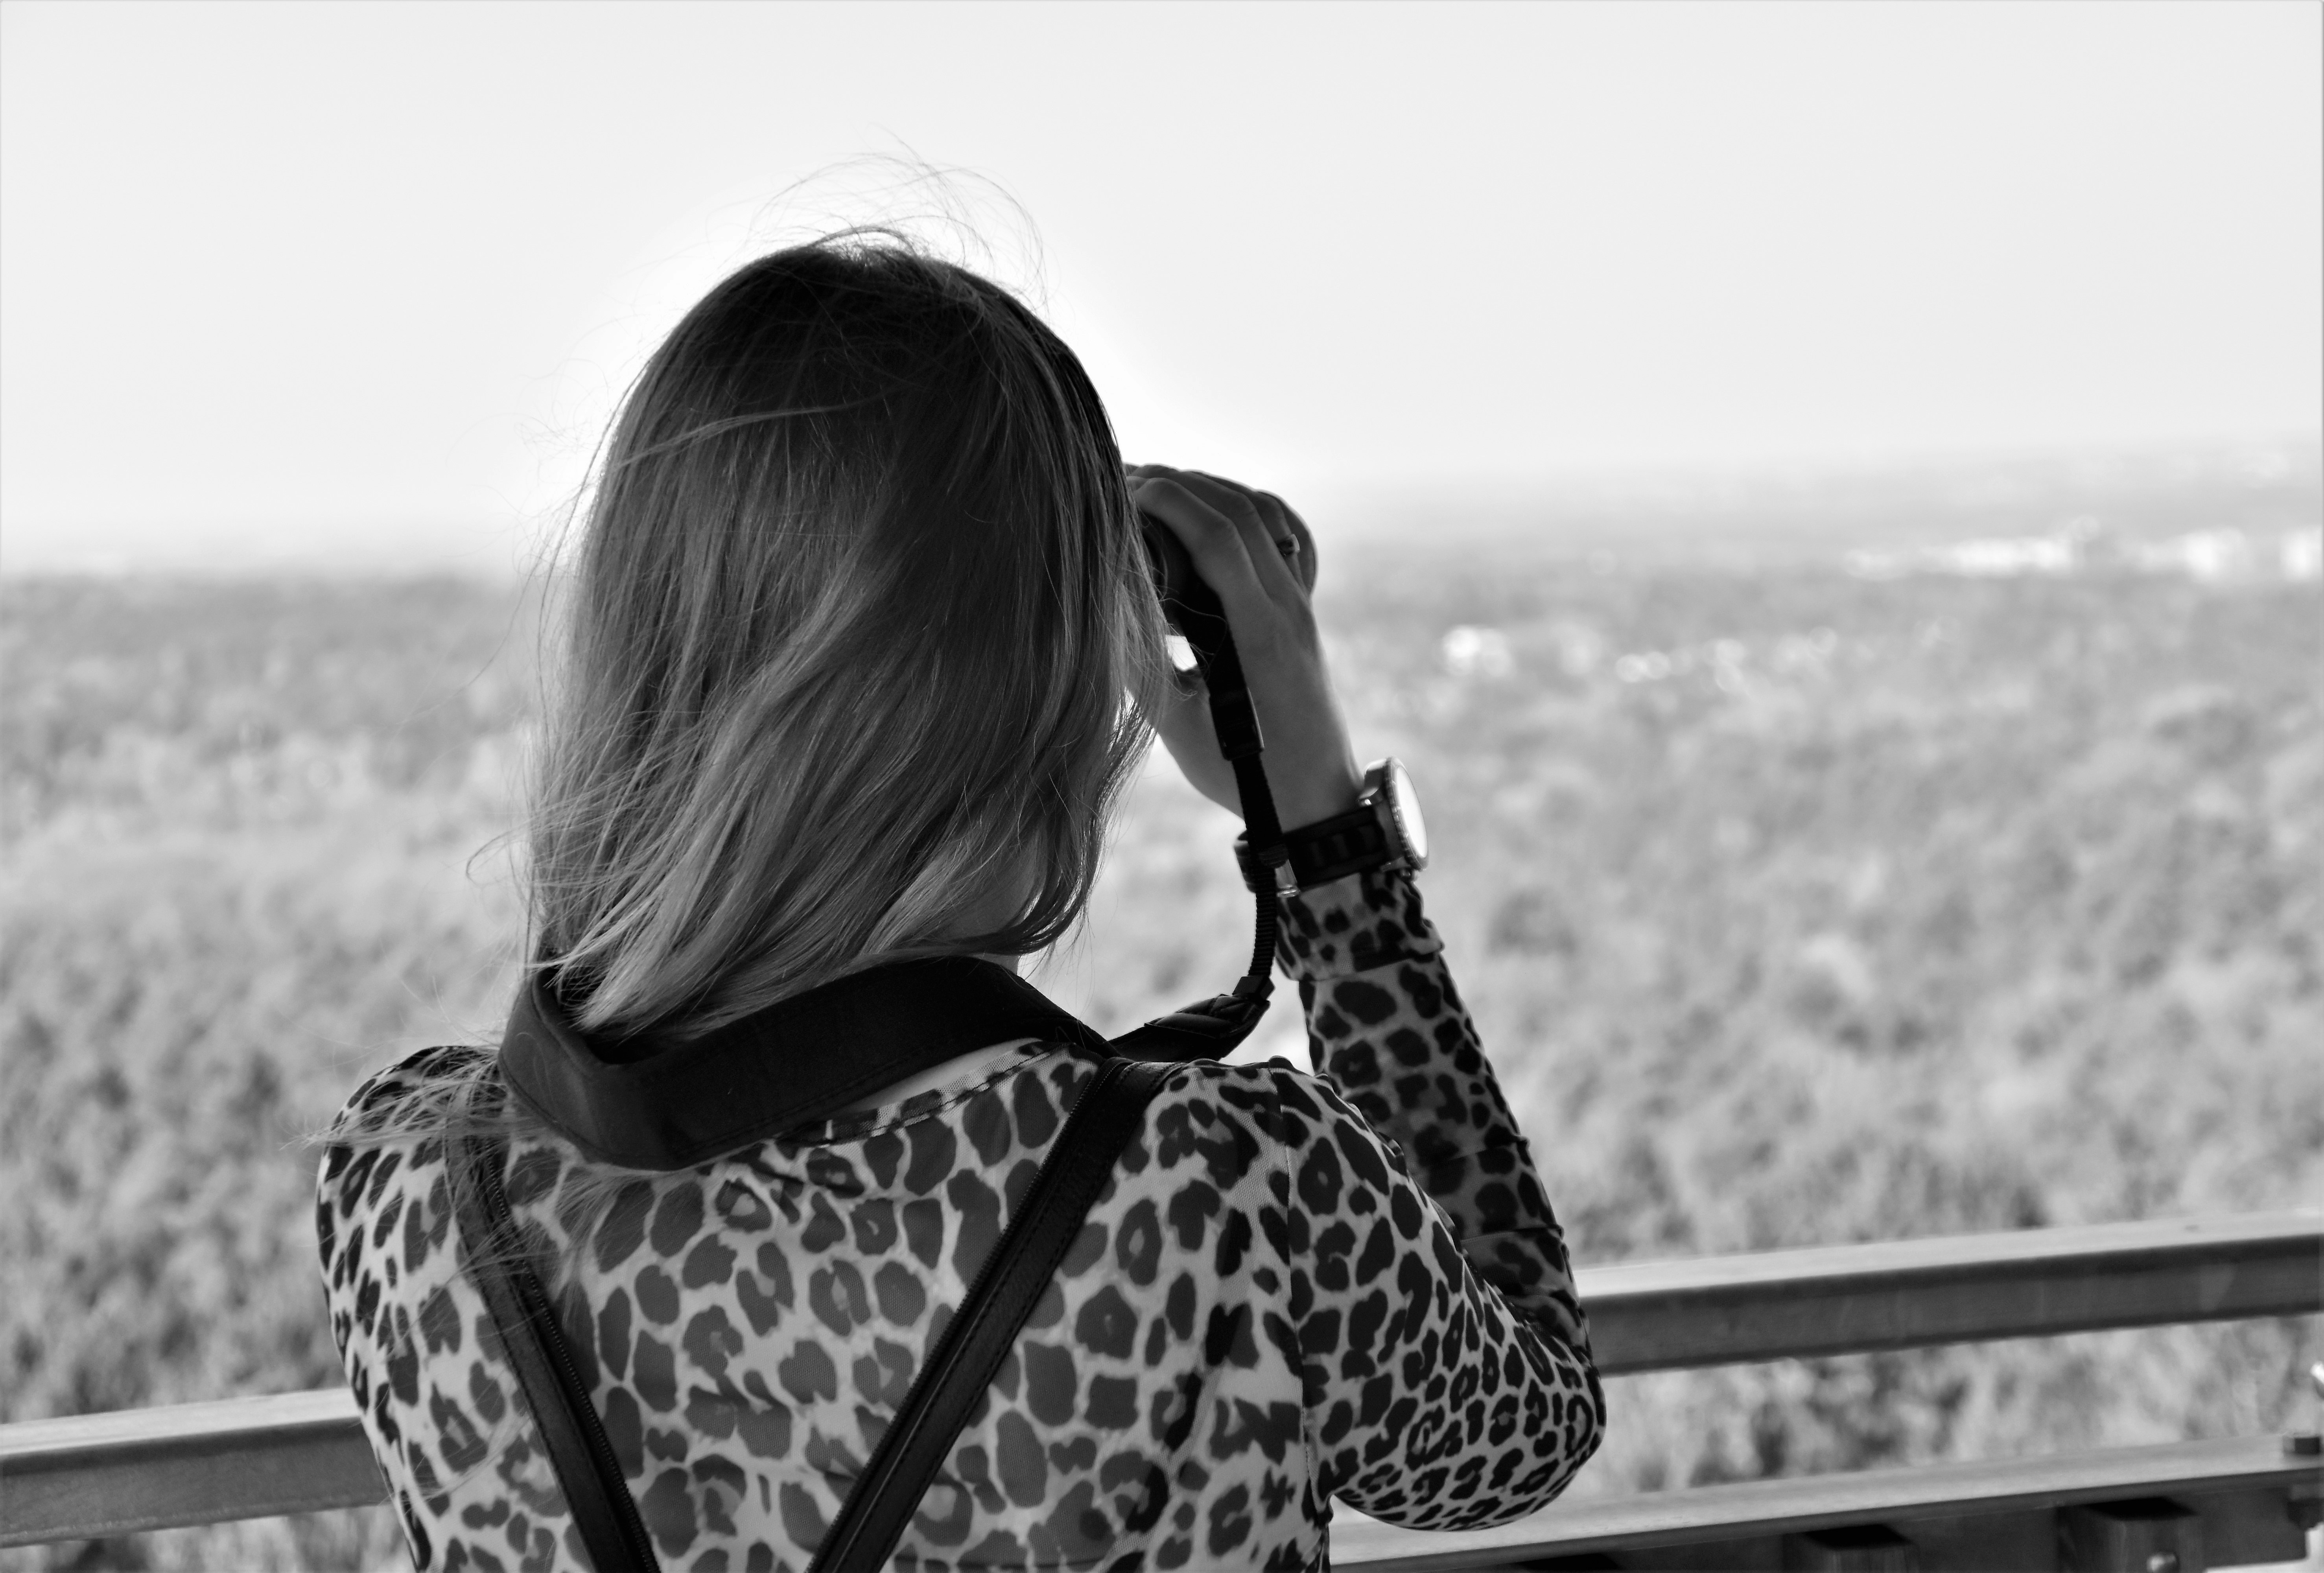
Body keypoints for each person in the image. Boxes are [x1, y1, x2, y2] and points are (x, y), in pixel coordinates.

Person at [316, 235, 1603, 1573]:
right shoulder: (1217, 1184)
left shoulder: (411, 1186)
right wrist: (1331, 848)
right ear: (1036, 685)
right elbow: (1528, 1428)